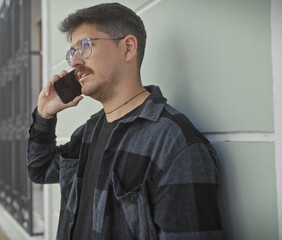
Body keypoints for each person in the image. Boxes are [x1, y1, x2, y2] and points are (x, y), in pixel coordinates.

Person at [27, 3, 222, 240]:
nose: (75, 61)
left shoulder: (174, 144)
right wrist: (45, 115)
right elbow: (40, 169)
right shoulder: (88, 132)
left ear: (128, 48)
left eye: (85, 46)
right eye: (72, 52)